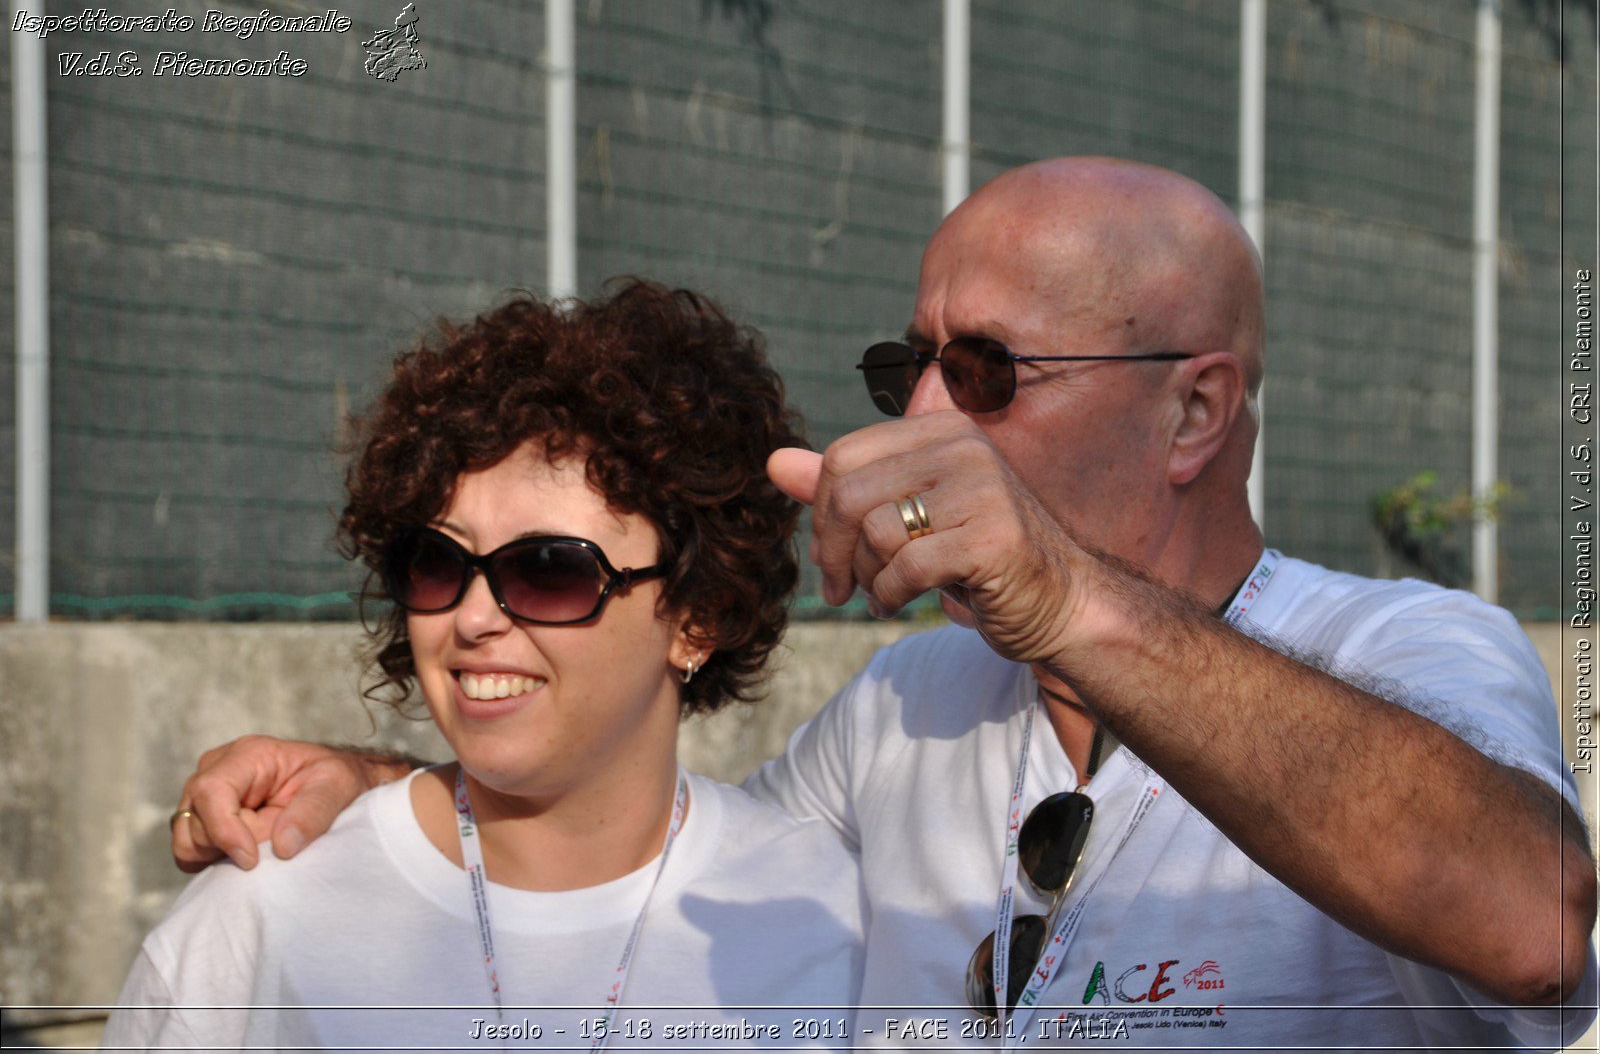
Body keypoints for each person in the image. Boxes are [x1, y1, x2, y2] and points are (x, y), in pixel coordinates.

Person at [169, 159, 1596, 1049]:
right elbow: (656, 852)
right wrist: (400, 791)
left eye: (985, 369)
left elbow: (1534, 919)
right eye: (903, 364)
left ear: (1192, 410)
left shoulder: (1401, 646)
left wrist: (1067, 600)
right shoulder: (907, 710)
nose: (922, 412)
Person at [107, 282, 864, 1050]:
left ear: (699, 612)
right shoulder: (269, 914)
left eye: (548, 569)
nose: (471, 617)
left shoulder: (825, 923)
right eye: (436, 562)